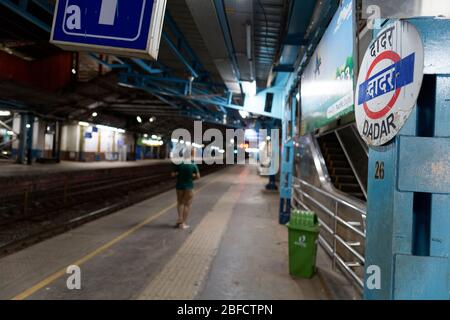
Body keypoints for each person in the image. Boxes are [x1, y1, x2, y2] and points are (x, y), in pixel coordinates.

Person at [171, 148, 200, 229]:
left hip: (179, 186)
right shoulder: (193, 164)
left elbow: (173, 174)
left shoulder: (179, 163)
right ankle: (183, 223)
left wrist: (179, 174)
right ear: (191, 155)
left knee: (180, 203)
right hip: (189, 187)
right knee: (187, 205)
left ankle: (179, 220)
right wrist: (192, 175)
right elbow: (198, 177)